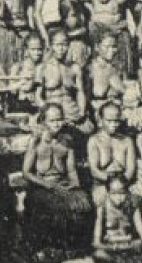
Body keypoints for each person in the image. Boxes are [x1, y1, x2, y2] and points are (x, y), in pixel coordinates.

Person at [20, 103, 90, 246]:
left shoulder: (67, 141)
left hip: (62, 184)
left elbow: (71, 170)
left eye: (60, 119)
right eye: (52, 120)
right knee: (53, 209)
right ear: (43, 121)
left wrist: (75, 186)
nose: (57, 124)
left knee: (83, 204)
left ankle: (72, 246)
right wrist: (47, 185)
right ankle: (48, 246)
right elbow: (26, 172)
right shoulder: (36, 141)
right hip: (42, 186)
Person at [93, 174, 142, 263]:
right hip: (112, 247)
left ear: (127, 192)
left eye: (122, 193)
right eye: (114, 193)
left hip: (130, 246)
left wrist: (136, 243)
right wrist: (113, 247)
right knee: (99, 255)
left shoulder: (133, 206)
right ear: (108, 192)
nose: (118, 197)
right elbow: (96, 242)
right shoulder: (102, 207)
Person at [86, 102, 138, 204]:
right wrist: (112, 182)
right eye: (109, 121)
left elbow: (131, 169)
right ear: (101, 120)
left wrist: (121, 184)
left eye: (116, 121)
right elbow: (94, 170)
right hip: (102, 184)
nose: (113, 124)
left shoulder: (127, 141)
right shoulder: (94, 140)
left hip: (125, 183)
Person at [86, 34, 127, 120]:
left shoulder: (116, 67)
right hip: (99, 112)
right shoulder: (91, 68)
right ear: (97, 47)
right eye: (107, 47)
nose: (111, 50)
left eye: (114, 46)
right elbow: (96, 93)